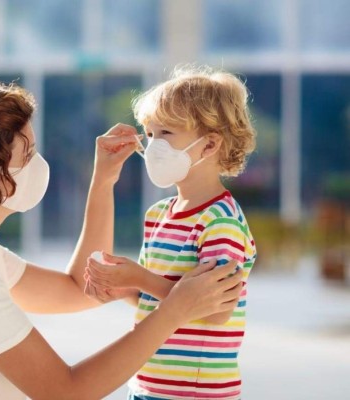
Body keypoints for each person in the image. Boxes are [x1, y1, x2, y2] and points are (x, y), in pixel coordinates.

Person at [0, 78, 242, 400]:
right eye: (28, 155)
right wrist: (174, 309)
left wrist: (103, 181)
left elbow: (77, 289)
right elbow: (66, 392)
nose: (40, 164)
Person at [85, 66, 257, 400]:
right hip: (146, 384)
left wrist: (139, 277)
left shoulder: (221, 221)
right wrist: (121, 287)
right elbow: (155, 297)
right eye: (148, 135)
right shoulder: (158, 215)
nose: (152, 146)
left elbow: (218, 308)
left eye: (165, 133)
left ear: (209, 145)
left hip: (196, 393)